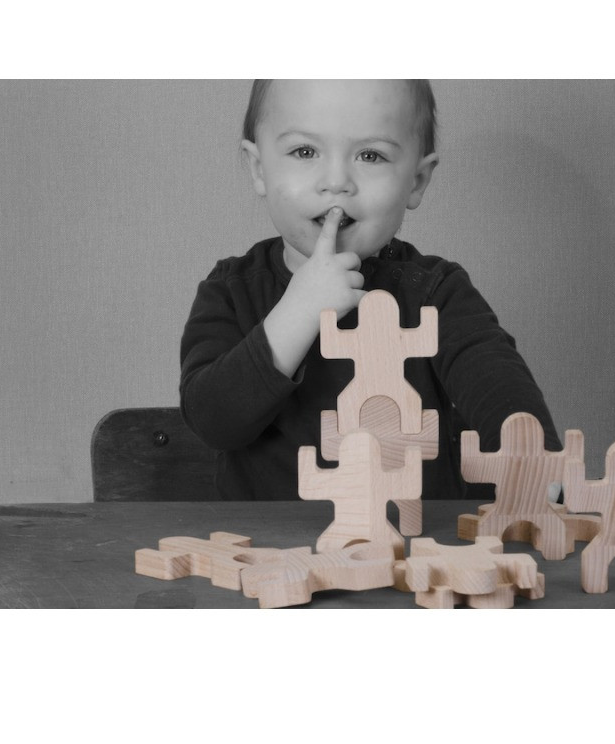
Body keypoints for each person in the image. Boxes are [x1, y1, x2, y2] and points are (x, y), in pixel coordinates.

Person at [180, 80, 562, 501]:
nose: (336, 182)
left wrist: (533, 465)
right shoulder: (230, 290)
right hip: (269, 542)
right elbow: (212, 421)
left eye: (370, 155)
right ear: (259, 169)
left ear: (416, 181)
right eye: (304, 152)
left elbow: (498, 389)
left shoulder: (436, 293)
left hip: (410, 538)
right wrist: (300, 310)